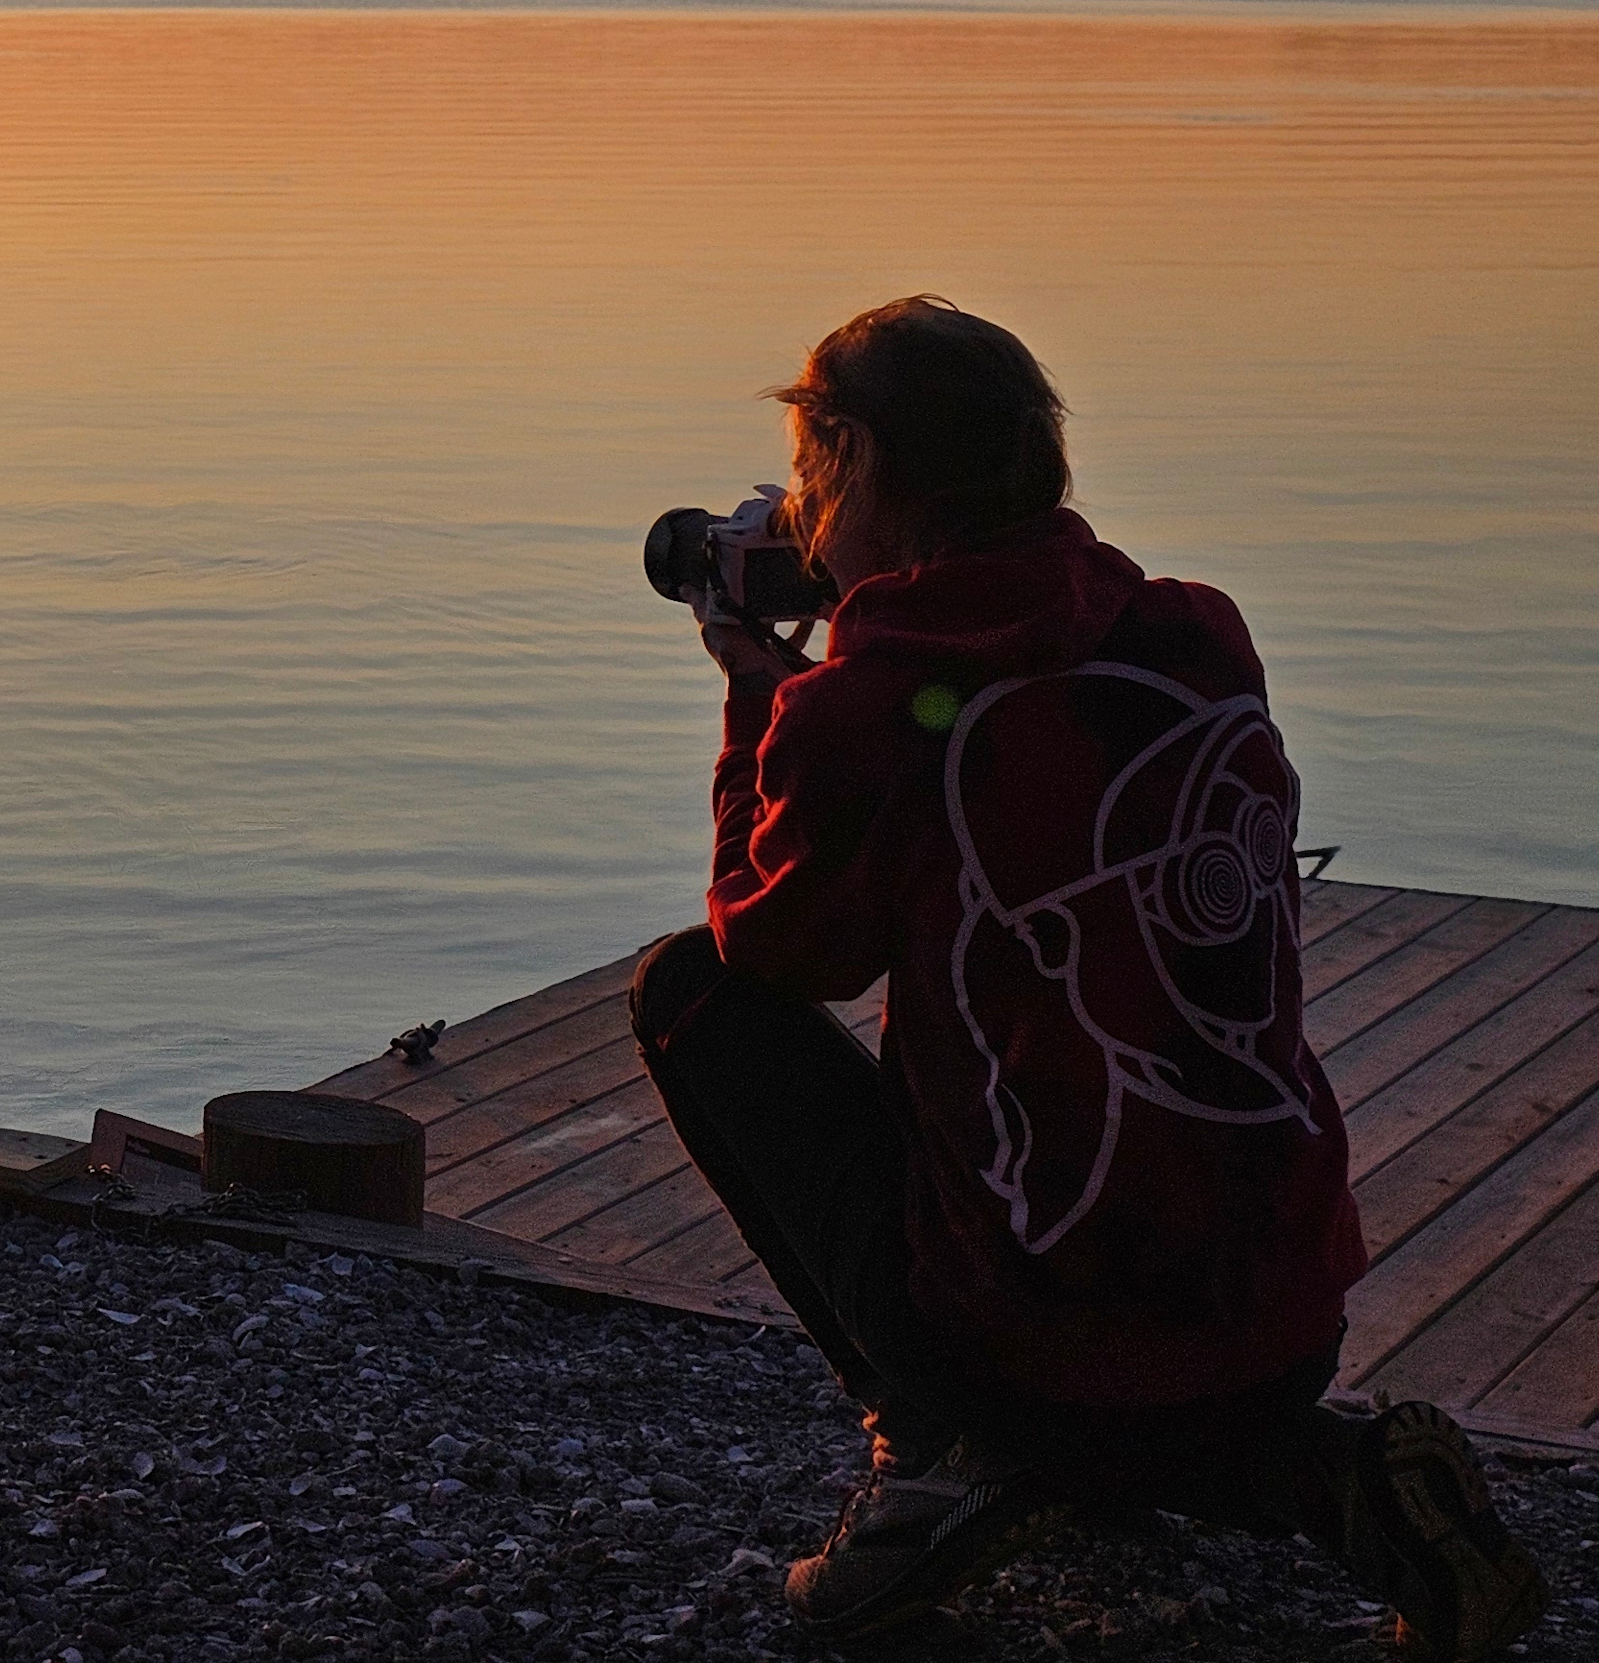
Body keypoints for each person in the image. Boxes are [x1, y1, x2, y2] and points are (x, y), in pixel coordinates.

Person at [632, 297, 1545, 1657]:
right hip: (1281, 1313)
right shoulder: (1197, 634)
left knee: (690, 993)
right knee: (1146, 1381)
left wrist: (763, 696)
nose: (807, 510)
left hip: (1035, 1335)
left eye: (817, 472)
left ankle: (935, 1464)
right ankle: (1329, 1479)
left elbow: (779, 953)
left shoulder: (860, 711)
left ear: (864, 468)